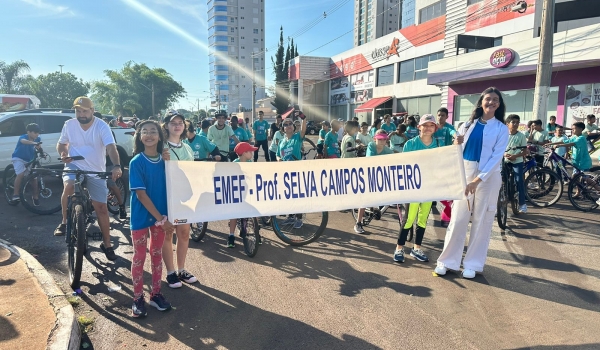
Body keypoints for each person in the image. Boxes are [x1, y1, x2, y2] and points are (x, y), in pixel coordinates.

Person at [434, 87, 509, 279]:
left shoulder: (501, 129)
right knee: (458, 218)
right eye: (488, 99)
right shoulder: (467, 124)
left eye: (495, 100)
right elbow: (457, 150)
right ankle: (447, 261)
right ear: (481, 101)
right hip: (466, 173)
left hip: (488, 178)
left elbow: (496, 158)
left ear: (499, 104)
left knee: (482, 220)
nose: (491, 102)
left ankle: (473, 264)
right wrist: (456, 142)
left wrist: (477, 180)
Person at [54, 97, 122, 262]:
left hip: (95, 170)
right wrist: (63, 154)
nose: (81, 114)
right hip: (74, 165)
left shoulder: (101, 126)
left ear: (92, 110)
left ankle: (107, 244)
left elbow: (111, 147)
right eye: (78, 111)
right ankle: (64, 221)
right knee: (69, 186)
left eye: (85, 111)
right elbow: (61, 144)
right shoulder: (69, 124)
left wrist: (116, 165)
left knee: (102, 208)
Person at [129, 120, 173, 317]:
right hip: (143, 217)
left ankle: (156, 294)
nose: (149, 135)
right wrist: (162, 221)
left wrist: (169, 162)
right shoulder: (136, 162)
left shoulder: (165, 161)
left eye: (153, 131)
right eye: (144, 131)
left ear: (160, 136)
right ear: (139, 136)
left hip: (160, 216)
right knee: (139, 257)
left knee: (156, 255)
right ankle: (137, 297)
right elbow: (141, 195)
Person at [393, 115, 440, 263]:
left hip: (430, 187)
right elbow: (404, 166)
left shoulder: (438, 144)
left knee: (422, 219)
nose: (427, 128)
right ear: (419, 127)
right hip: (413, 187)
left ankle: (416, 248)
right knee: (409, 219)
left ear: (435, 128)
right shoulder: (410, 144)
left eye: (431, 125)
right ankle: (399, 249)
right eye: (424, 125)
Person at [161, 110, 198, 289]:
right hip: (166, 196)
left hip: (184, 198)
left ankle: (182, 268)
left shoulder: (188, 148)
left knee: (183, 233)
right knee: (168, 233)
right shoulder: (161, 147)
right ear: (166, 126)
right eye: (173, 122)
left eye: (180, 122)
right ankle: (170, 272)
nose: (177, 125)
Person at [353, 130, 394, 234]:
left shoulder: (388, 151)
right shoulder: (371, 146)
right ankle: (358, 223)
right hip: (368, 174)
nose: (382, 141)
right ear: (375, 139)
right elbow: (371, 160)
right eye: (379, 139)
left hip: (380, 175)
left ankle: (377, 206)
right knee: (365, 199)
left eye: (384, 139)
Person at [276, 110, 308, 228]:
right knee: (288, 195)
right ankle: (290, 217)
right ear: (283, 128)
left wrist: (303, 117)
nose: (288, 126)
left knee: (297, 195)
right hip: (285, 172)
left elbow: (304, 129)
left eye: (290, 124)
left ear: (293, 127)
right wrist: (278, 159)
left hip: (297, 170)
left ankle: (299, 218)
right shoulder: (282, 142)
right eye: (285, 124)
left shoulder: (297, 137)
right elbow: (278, 154)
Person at [95, 112, 127, 219]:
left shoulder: (107, 130)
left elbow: (110, 149)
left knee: (111, 184)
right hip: (92, 164)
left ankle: (122, 206)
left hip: (107, 163)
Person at [227, 142, 259, 248]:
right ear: (244, 153)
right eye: (250, 151)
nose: (252, 153)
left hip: (249, 192)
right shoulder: (234, 164)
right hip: (237, 193)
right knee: (234, 213)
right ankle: (231, 235)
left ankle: (256, 232)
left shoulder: (251, 164)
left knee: (255, 211)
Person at [434, 107, 457, 227]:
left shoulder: (449, 128)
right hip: (433, 161)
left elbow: (455, 134)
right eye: (438, 115)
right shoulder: (433, 127)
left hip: (447, 162)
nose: (440, 117)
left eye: (443, 115)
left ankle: (447, 213)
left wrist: (457, 137)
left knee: (447, 187)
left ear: (447, 116)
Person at [9, 123, 42, 204]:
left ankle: (35, 196)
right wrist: (33, 143)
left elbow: (39, 147)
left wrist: (42, 153)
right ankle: (15, 194)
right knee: (20, 174)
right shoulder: (23, 137)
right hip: (18, 158)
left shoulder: (37, 139)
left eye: (38, 132)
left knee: (33, 178)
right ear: (28, 132)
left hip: (29, 160)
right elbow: (23, 141)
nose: (37, 134)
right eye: (35, 132)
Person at [504, 114, 529, 214]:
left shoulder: (521, 136)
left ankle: (522, 204)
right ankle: (499, 204)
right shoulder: (503, 134)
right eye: (513, 122)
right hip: (504, 161)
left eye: (517, 122)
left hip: (517, 161)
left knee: (519, 181)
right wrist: (504, 154)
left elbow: (525, 151)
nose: (515, 124)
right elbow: (497, 148)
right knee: (500, 182)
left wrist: (515, 156)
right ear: (507, 124)